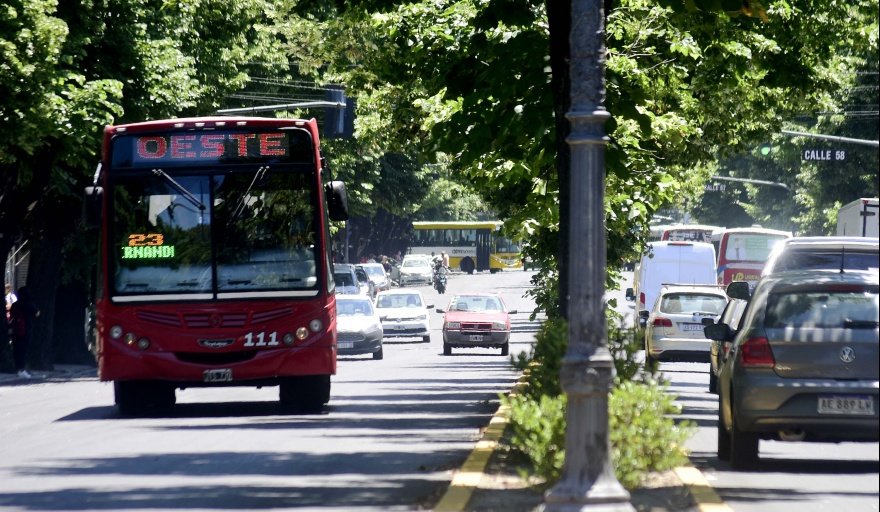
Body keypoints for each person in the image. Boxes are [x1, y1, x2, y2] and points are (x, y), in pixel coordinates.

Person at [8, 286, 38, 379]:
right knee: (24, 350)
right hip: (26, 329)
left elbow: (11, 315)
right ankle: (22, 369)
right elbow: (36, 314)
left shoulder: (15, 305)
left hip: (16, 330)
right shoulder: (29, 304)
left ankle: (17, 367)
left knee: (16, 349)